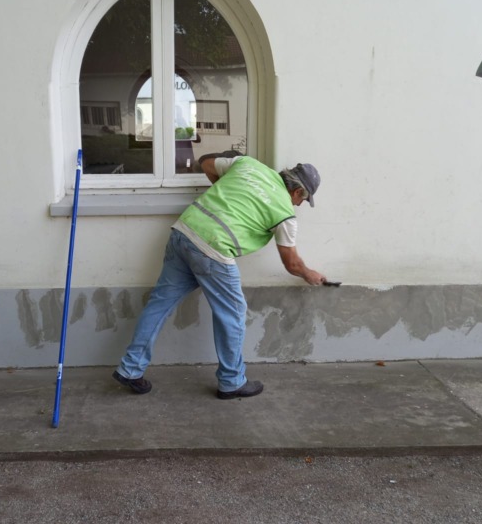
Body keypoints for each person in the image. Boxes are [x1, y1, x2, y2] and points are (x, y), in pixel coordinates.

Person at [113, 151, 328, 399]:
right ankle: (231, 381)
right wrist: (308, 274)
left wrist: (226, 193)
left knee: (159, 304)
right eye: (303, 200)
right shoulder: (285, 214)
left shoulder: (249, 165)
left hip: (184, 232)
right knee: (233, 314)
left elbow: (205, 163)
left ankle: (130, 368)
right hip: (212, 249)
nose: (299, 205)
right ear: (298, 191)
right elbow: (291, 263)